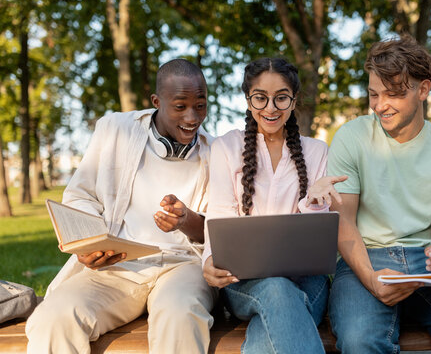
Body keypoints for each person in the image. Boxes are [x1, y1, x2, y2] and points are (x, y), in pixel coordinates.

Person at [309, 36, 431, 353]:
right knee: (361, 341)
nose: (379, 105)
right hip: (365, 257)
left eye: (393, 94)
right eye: (374, 94)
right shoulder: (352, 137)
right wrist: (372, 278)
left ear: (424, 90)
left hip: (428, 263)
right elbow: (343, 221)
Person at [26, 59, 218, 354]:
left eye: (201, 105)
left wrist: (187, 220)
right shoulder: (115, 129)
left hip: (183, 268)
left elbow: (221, 229)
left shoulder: (216, 152)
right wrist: (89, 245)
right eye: (180, 106)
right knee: (54, 318)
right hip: (118, 265)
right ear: (157, 101)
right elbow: (80, 196)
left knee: (180, 315)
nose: (192, 117)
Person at [201, 57, 330, 354]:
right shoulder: (226, 147)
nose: (270, 108)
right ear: (248, 100)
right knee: (276, 289)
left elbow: (319, 235)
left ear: (294, 101)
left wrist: (315, 202)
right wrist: (209, 259)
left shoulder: (317, 152)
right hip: (244, 283)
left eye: (281, 98)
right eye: (260, 98)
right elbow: (219, 212)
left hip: (309, 284)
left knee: (271, 325)